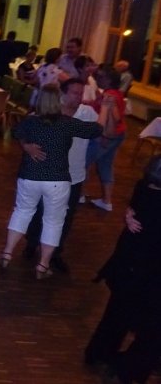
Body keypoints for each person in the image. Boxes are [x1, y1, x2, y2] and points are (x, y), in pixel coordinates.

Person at [0, 84, 106, 279]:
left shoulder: (31, 121)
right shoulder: (66, 123)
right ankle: (43, 265)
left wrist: (27, 146)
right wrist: (105, 109)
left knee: (22, 212)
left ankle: (7, 253)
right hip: (57, 180)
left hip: (29, 175)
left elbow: (15, 132)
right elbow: (96, 130)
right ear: (58, 101)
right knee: (53, 221)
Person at [85, 155, 161, 384]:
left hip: (131, 265)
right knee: (148, 326)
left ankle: (101, 355)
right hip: (144, 270)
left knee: (119, 312)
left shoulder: (143, 188)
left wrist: (129, 213)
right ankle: (123, 368)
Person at [23, 79, 99, 273]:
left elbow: (102, 132)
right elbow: (23, 131)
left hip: (74, 176)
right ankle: (32, 243)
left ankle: (54, 253)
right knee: (39, 211)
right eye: (75, 92)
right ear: (63, 94)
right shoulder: (48, 113)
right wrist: (27, 146)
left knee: (65, 217)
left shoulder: (87, 113)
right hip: (47, 174)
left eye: (81, 93)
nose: (79, 97)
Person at [88, 65, 126, 212]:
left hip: (109, 135)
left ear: (109, 80)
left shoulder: (109, 95)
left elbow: (115, 117)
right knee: (105, 165)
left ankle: (79, 194)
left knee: (84, 162)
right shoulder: (116, 93)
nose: (97, 79)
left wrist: (105, 136)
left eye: (100, 76)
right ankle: (106, 201)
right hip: (118, 134)